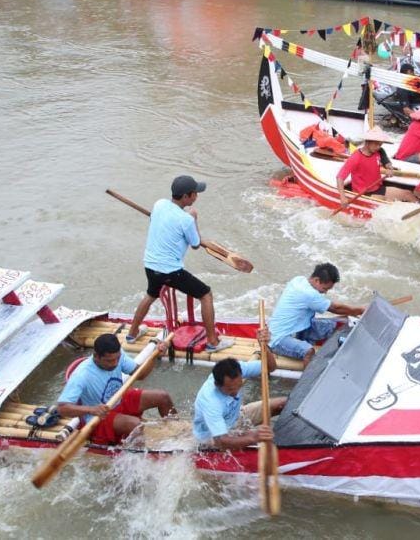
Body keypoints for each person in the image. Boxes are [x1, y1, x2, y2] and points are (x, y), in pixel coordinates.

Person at [127, 175, 234, 352]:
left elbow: (158, 221)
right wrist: (193, 219)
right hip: (170, 271)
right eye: (194, 194)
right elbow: (195, 244)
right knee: (206, 294)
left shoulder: (159, 204)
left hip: (150, 265)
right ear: (186, 196)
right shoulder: (186, 220)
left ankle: (132, 334)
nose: (196, 197)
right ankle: (213, 343)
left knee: (151, 295)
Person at [56, 333, 174, 446]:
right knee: (135, 425)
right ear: (96, 356)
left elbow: (140, 375)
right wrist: (91, 410)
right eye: (109, 361)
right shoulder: (81, 375)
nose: (115, 364)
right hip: (99, 417)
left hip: (119, 399)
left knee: (162, 397)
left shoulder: (117, 355)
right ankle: (138, 455)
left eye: (117, 359)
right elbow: (62, 408)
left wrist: (155, 356)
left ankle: (176, 432)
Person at [192, 338, 288, 449]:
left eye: (238, 386)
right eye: (230, 390)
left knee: (283, 403)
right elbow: (221, 441)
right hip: (212, 437)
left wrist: (264, 346)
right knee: (259, 442)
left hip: (235, 418)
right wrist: (252, 439)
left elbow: (270, 367)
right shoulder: (210, 402)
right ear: (217, 385)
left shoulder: (239, 369)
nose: (235, 393)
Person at [267, 263, 365, 365]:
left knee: (337, 324)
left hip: (299, 329)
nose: (325, 292)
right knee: (309, 351)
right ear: (317, 280)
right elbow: (335, 308)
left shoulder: (299, 279)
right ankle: (309, 375)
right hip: (278, 339)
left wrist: (356, 311)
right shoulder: (308, 294)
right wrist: (361, 310)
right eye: (325, 289)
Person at [336, 127, 415, 204]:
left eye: (380, 144)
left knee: (408, 194)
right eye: (376, 144)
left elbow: (387, 163)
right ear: (368, 142)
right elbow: (340, 177)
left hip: (378, 188)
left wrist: (390, 169)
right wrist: (342, 197)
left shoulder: (380, 151)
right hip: (363, 193)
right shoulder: (356, 157)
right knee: (386, 201)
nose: (378, 147)